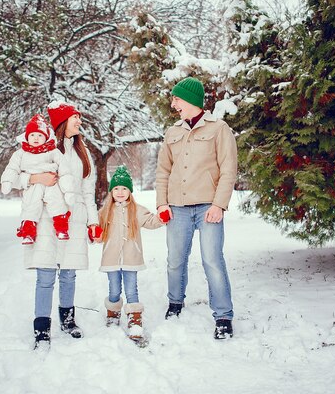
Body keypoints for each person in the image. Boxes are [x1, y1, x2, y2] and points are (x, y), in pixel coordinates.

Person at [9, 102, 99, 348]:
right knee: (46, 274)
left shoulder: (83, 151)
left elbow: (88, 190)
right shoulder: (41, 147)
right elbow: (14, 178)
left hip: (76, 217)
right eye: (74, 117)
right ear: (62, 122)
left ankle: (68, 321)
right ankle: (41, 330)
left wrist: (93, 221)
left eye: (79, 117)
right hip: (47, 217)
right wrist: (36, 178)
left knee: (69, 274)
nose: (79, 121)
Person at [155, 76, 238, 339]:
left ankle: (223, 316)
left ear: (190, 100)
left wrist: (219, 204)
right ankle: (175, 303)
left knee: (212, 260)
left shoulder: (218, 128)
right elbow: (163, 171)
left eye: (176, 98)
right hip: (177, 207)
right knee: (174, 260)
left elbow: (228, 169)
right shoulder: (172, 132)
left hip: (208, 208)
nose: (173, 103)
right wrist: (161, 203)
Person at [95, 165, 165, 343]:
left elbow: (150, 221)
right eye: (116, 188)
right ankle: (113, 313)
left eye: (124, 188)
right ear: (111, 191)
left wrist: (161, 218)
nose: (120, 192)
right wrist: (93, 233)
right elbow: (96, 231)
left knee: (131, 289)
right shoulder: (105, 211)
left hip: (131, 257)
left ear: (130, 191)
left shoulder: (137, 210)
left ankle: (135, 321)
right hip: (111, 258)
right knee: (114, 289)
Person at [0, 113, 74, 245]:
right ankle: (28, 232)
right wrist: (7, 181)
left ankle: (62, 228)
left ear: (45, 138)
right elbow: (12, 168)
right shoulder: (21, 153)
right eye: (32, 135)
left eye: (40, 135)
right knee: (31, 205)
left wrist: (69, 191)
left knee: (56, 202)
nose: (36, 138)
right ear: (27, 137)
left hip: (52, 184)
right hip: (32, 187)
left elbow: (65, 171)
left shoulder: (53, 151)